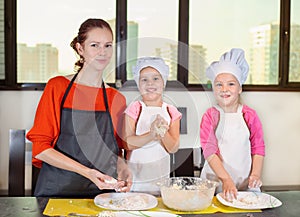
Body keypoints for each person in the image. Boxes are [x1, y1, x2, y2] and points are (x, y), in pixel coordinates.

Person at [26, 18, 131, 197]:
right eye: (94, 45)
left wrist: (124, 170)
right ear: (80, 48)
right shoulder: (57, 87)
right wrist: (87, 172)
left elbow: (117, 152)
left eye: (108, 46)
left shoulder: (117, 99)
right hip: (57, 190)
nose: (102, 52)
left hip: (102, 194)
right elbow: (41, 149)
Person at [200, 48, 265, 201]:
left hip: (243, 184)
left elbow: (258, 148)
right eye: (219, 85)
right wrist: (226, 180)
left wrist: (255, 175)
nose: (224, 89)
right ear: (213, 89)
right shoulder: (210, 116)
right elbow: (210, 151)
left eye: (231, 84)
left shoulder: (249, 115)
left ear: (240, 88)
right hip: (215, 183)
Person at [123, 57, 182, 195]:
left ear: (164, 83)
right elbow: (128, 143)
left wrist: (162, 132)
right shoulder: (134, 108)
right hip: (135, 178)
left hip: (160, 178)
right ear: (138, 84)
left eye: (156, 78)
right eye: (144, 79)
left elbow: (173, 148)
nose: (150, 83)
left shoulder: (171, 111)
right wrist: (151, 135)